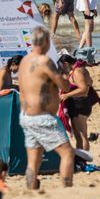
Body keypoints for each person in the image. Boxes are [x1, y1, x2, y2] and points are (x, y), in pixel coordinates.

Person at [18, 26, 75, 189]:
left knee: (33, 159)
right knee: (67, 152)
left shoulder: (24, 61)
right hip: (42, 116)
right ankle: (67, 189)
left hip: (26, 115)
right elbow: (64, 87)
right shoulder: (45, 61)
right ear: (46, 42)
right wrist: (64, 74)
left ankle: (31, 189)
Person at [58, 55, 94, 150]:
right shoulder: (82, 68)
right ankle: (83, 158)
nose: (63, 69)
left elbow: (84, 90)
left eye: (62, 66)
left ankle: (82, 159)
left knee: (80, 136)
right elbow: (90, 82)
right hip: (83, 103)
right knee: (81, 135)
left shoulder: (77, 71)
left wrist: (67, 95)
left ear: (66, 63)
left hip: (79, 104)